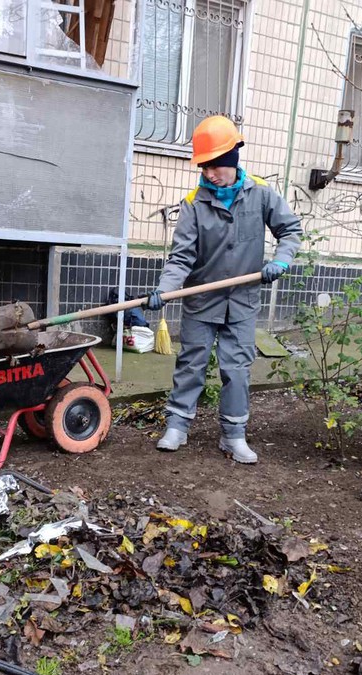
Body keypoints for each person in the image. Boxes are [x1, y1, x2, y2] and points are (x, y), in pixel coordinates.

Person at [145, 116, 302, 464]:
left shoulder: (261, 194)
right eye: (204, 166)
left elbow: (290, 230)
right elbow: (181, 257)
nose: (210, 173)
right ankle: (177, 426)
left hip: (242, 301)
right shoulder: (194, 203)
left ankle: (233, 435)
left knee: (237, 369)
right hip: (201, 299)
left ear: (233, 158)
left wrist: (282, 260)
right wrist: (165, 289)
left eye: (215, 165)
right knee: (191, 364)